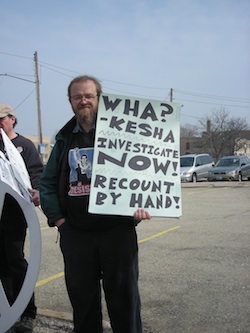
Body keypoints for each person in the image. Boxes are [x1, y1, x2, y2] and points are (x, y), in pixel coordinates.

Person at [40, 75, 151, 333]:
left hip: (118, 233)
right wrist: (59, 220)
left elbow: (145, 175)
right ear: (70, 102)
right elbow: (47, 183)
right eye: (77, 97)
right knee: (84, 303)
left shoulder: (122, 133)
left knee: (125, 302)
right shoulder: (63, 139)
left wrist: (141, 206)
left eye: (89, 96)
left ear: (99, 98)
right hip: (76, 235)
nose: (83, 101)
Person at [0, 104, 43, 332]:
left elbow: (36, 172)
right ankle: (6, 309)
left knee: (15, 260)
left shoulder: (24, 146)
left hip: (15, 214)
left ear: (12, 119)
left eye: (2, 119)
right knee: (1, 264)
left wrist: (36, 191)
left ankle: (27, 312)